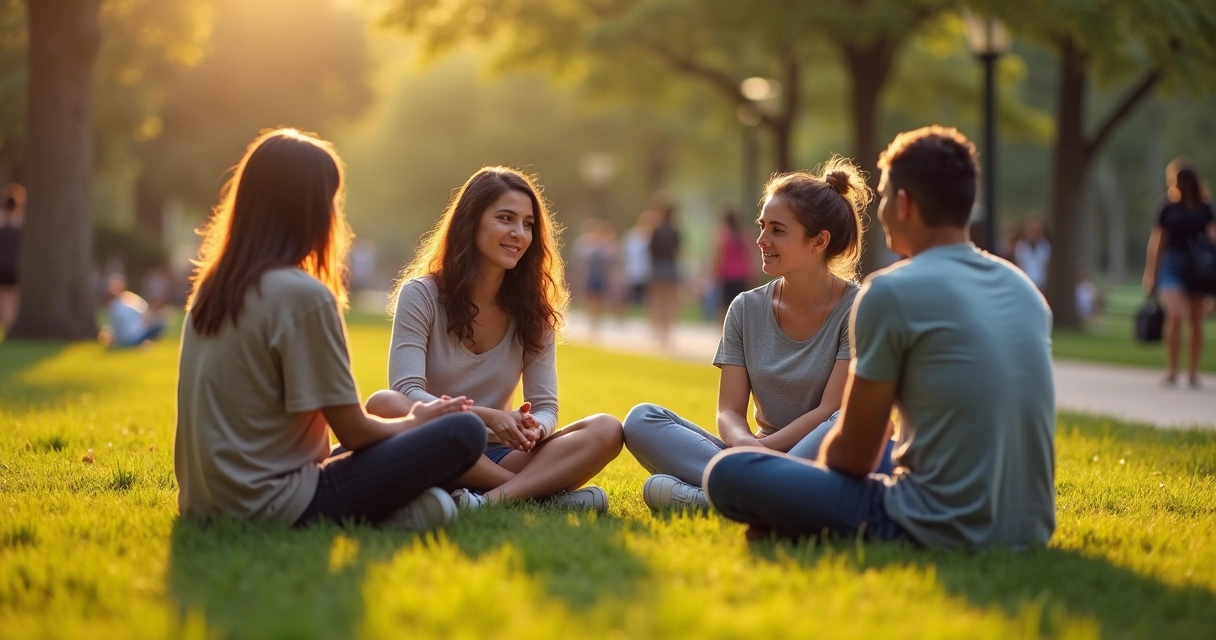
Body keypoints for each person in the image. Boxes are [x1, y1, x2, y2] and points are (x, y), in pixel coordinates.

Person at [704, 126, 1056, 550]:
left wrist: (789, 485)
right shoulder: (1024, 290)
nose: (879, 209)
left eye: (885, 196)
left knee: (727, 474)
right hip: (1030, 529)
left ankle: (767, 507)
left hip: (932, 522)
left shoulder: (890, 292)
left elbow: (851, 457)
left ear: (903, 204)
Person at [175, 129, 487, 531]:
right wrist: (419, 420)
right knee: (462, 432)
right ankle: (397, 513)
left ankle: (407, 507)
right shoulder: (303, 295)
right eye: (332, 201)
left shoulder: (212, 290)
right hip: (272, 503)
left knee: (416, 441)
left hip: (205, 503)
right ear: (309, 209)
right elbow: (355, 432)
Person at [623, 158, 879, 510]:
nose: (760, 239)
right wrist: (744, 443)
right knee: (642, 419)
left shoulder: (858, 309)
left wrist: (758, 453)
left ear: (819, 241)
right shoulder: (745, 307)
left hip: (814, 448)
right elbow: (729, 409)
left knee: (841, 420)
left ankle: (721, 493)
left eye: (777, 229)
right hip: (755, 450)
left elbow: (830, 409)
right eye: (762, 226)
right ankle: (763, 490)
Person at [365, 167, 623, 512]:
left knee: (606, 429)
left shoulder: (535, 310)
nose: (519, 233)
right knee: (384, 404)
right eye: (506, 218)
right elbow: (407, 392)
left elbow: (546, 406)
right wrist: (489, 417)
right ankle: (536, 496)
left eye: (528, 224)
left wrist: (535, 428)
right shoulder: (421, 295)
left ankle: (485, 501)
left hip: (502, 454)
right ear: (471, 221)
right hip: (434, 441)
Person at [1142, 159, 1216, 388]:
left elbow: (1213, 238)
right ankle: (1173, 369)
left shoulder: (1205, 207)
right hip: (1172, 263)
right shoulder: (1167, 206)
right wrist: (1151, 273)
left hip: (1197, 265)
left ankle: (1192, 372)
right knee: (1175, 314)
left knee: (1195, 319)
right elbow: (1158, 241)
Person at [574, 218, 618, 335]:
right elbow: (581, 259)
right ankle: (591, 319)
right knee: (590, 296)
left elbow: (610, 260)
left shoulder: (606, 245)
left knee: (600, 297)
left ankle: (598, 319)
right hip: (590, 275)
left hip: (601, 275)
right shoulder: (587, 244)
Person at [98, 273, 167, 347]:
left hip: (127, 337)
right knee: (161, 321)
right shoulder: (120, 303)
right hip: (136, 335)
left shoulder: (116, 304)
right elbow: (145, 312)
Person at [712, 207, 754, 322]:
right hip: (742, 275)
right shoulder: (745, 236)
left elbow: (719, 257)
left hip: (727, 276)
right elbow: (750, 257)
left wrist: (714, 273)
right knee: (741, 306)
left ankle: (725, 331)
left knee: (725, 305)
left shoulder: (724, 236)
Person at [648, 203, 681, 346]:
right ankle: (667, 330)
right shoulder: (675, 231)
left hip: (658, 266)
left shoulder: (656, 230)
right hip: (671, 266)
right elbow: (678, 251)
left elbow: (650, 250)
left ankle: (658, 329)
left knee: (657, 299)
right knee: (670, 300)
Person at [621, 209, 657, 311]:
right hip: (633, 269)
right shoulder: (632, 235)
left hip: (649, 270)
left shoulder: (654, 236)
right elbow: (626, 253)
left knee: (650, 296)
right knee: (629, 296)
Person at [0, 184, 24, 333]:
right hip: (14, 266)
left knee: (4, 299)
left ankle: (7, 326)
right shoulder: (20, 224)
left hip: (3, 266)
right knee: (13, 300)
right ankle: (10, 326)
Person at [1014, 219, 1051, 292]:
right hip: (1026, 282)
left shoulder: (1044, 246)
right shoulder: (1021, 246)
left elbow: (1046, 265)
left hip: (1041, 284)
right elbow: (1019, 264)